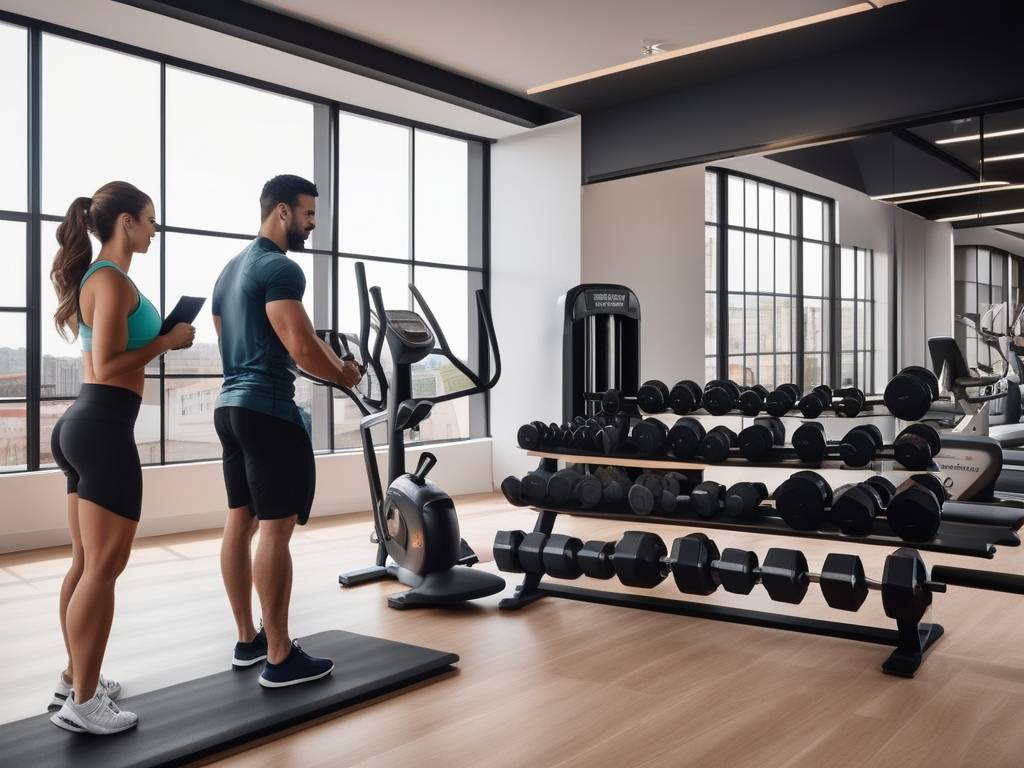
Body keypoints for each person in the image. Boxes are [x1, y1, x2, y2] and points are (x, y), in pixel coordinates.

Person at [48, 181, 196, 734]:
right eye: (150, 220)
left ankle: (74, 675)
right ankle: (83, 703)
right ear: (127, 224)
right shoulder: (109, 280)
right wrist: (166, 341)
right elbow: (110, 366)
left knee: (86, 564)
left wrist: (160, 338)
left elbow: (109, 359)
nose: (155, 230)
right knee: (104, 571)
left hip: (86, 426)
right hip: (104, 428)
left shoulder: (106, 279)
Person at [212, 174, 361, 689]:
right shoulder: (280, 267)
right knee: (274, 529)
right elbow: (298, 345)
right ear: (281, 211)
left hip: (229, 407)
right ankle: (279, 656)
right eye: (307, 214)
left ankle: (247, 640)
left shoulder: (229, 272)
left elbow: (229, 335)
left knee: (240, 522)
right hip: (268, 410)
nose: (312, 225)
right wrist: (341, 372)